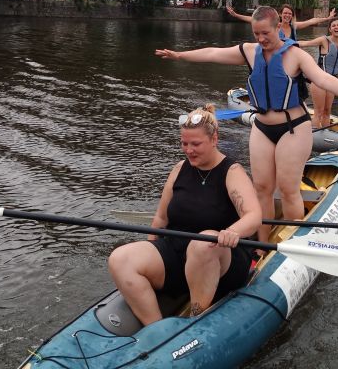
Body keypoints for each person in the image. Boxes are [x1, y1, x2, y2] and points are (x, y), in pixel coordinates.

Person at [156, 6, 338, 242]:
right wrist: (180, 55)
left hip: (293, 127)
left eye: (265, 33)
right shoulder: (249, 51)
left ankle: (296, 241)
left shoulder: (296, 55)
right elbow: (214, 53)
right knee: (262, 189)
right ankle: (262, 246)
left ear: (278, 27)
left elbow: (323, 78)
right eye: (256, 33)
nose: (261, 39)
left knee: (288, 189)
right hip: (262, 127)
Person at [108, 104, 262, 325]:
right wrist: (150, 250)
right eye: (184, 143)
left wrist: (232, 231)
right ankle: (156, 328)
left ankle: (195, 318)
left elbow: (254, 216)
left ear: (214, 139)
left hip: (220, 257)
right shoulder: (179, 168)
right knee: (120, 258)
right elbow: (160, 219)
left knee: (203, 243)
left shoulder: (232, 172)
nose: (189, 150)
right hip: (177, 251)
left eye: (196, 144)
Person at [226, 3, 336, 41]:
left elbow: (312, 20)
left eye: (290, 14)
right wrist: (236, 15)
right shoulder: (275, 25)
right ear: (280, 14)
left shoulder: (294, 26)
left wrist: (327, 18)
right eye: (285, 13)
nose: (287, 15)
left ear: (292, 15)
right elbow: (253, 19)